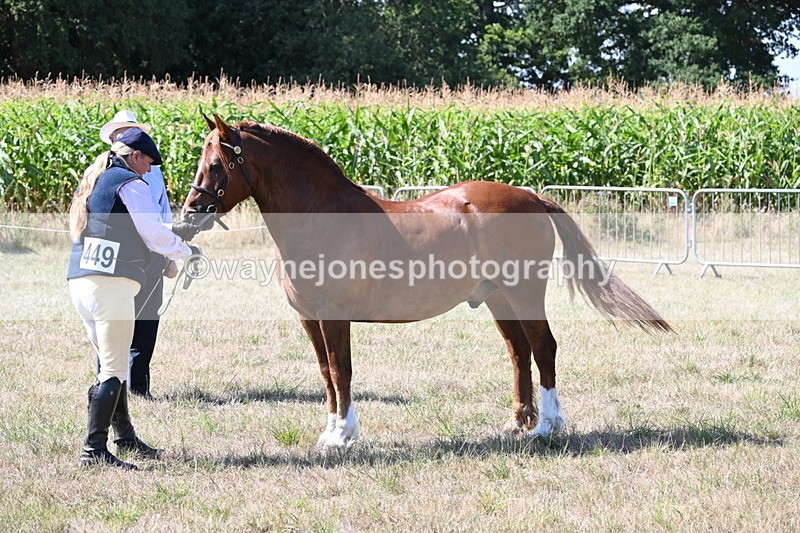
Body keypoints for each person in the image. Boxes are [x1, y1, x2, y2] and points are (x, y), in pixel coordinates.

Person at [67, 128, 201, 469]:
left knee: (112, 365)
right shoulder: (131, 183)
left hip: (83, 282)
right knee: (112, 368)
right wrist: (184, 250)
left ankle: (124, 437)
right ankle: (93, 451)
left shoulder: (98, 180)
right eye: (148, 163)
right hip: (110, 286)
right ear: (135, 156)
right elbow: (152, 232)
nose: (149, 171)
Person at [98, 110, 198, 399]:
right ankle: (111, 385)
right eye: (118, 134)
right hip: (124, 255)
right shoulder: (107, 171)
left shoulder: (147, 170)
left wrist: (169, 256)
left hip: (150, 254)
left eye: (127, 132)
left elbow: (160, 213)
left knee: (145, 321)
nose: (121, 138)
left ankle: (137, 386)